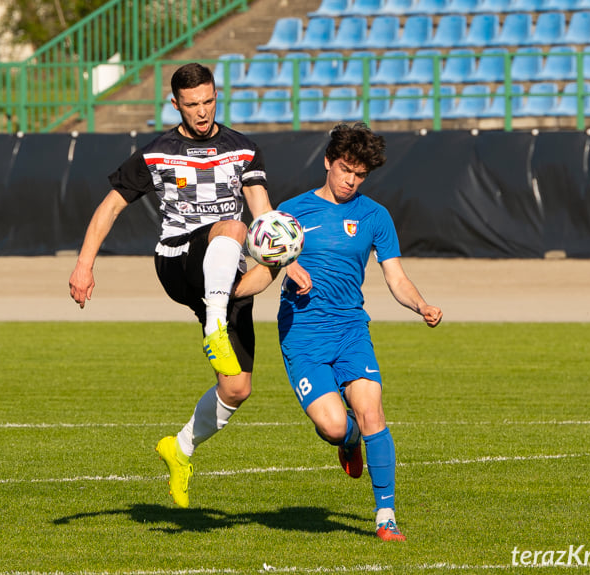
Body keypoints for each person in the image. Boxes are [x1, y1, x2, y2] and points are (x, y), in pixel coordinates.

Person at [68, 62, 310, 509]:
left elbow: (263, 211)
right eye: (192, 104)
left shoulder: (243, 149)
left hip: (222, 270)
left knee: (237, 387)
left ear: (217, 96)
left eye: (209, 101)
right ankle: (215, 326)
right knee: (231, 228)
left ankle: (179, 449)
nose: (202, 112)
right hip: (177, 259)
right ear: (175, 103)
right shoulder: (156, 152)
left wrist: (285, 258)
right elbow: (109, 208)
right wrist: (84, 266)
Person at [235, 123, 442, 541]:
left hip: (350, 328)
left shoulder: (375, 216)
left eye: (360, 174)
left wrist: (421, 304)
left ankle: (386, 517)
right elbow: (265, 273)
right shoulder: (293, 213)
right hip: (303, 334)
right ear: (328, 162)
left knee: (373, 410)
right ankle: (347, 441)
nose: (351, 180)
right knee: (334, 426)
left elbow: (396, 278)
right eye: (346, 169)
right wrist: (231, 292)